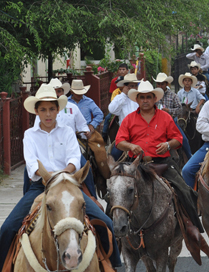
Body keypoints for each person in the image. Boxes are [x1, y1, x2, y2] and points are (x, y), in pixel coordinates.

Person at [0, 84, 121, 269]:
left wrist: (65, 173)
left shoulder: (67, 132)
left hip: (69, 186)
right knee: (7, 228)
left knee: (105, 223)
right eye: (43, 109)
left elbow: (74, 159)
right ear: (36, 111)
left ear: (58, 110)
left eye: (51, 109)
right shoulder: (29, 135)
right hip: (41, 187)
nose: (48, 114)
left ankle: (110, 265)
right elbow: (32, 165)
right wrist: (51, 177)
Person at [115, 80, 208, 256]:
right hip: (136, 165)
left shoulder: (165, 117)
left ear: (154, 99)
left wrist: (167, 144)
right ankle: (114, 236)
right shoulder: (129, 119)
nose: (145, 100)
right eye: (142, 97)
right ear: (137, 100)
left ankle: (191, 227)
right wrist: (131, 147)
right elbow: (119, 141)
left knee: (184, 189)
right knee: (116, 193)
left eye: (148, 97)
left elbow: (178, 139)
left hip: (162, 163)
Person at [154, 72, 193, 161]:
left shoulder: (173, 95)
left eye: (162, 84)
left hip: (170, 121)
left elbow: (180, 109)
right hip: (155, 121)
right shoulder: (153, 96)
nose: (160, 85)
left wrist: (169, 111)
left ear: (166, 84)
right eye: (158, 84)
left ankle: (190, 158)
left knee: (184, 139)